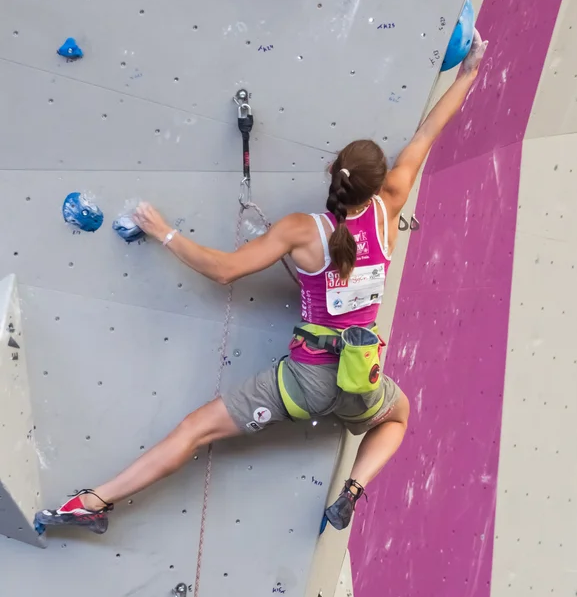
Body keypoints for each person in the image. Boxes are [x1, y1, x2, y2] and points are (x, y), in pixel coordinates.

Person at [35, 31, 487, 536]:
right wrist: (467, 72)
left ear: (332, 173)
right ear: (378, 184)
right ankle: (352, 491)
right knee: (398, 417)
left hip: (305, 384)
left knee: (196, 430)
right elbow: (425, 136)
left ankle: (94, 500)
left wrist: (163, 231)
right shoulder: (390, 206)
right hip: (362, 377)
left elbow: (224, 269)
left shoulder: (301, 230)